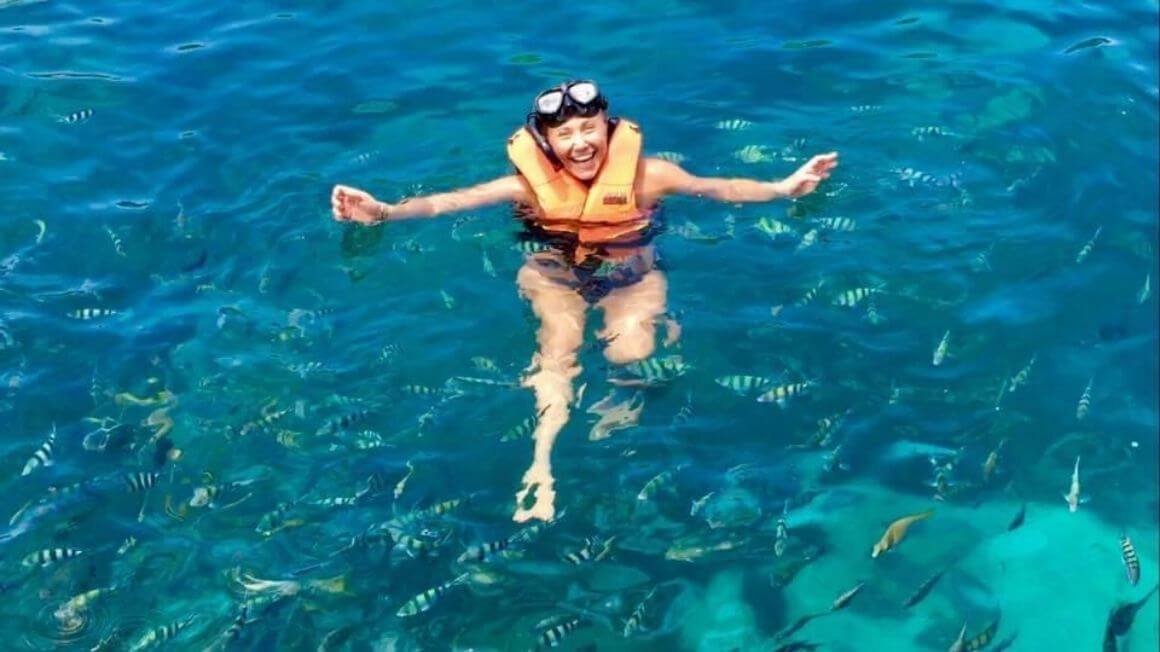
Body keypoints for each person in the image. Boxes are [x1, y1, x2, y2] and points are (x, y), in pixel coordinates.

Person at [331, 80, 838, 523]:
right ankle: (541, 459)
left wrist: (783, 188)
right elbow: (448, 202)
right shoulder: (523, 186)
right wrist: (384, 213)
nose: (580, 143)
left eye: (589, 128)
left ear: (609, 127)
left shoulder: (651, 176)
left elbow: (719, 187)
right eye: (565, 135)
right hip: (554, 282)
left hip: (633, 281)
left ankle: (623, 402)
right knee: (558, 352)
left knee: (633, 355)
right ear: (546, 143)